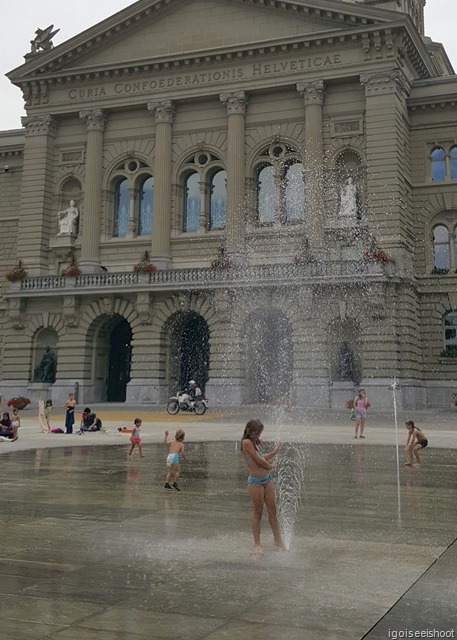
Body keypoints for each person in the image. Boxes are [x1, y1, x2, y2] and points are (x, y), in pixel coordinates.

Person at [241, 418, 286, 556]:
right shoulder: (246, 442)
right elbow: (258, 461)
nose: (259, 435)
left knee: (273, 511)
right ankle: (257, 544)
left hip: (267, 480)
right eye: (258, 433)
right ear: (252, 432)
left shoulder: (255, 442)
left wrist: (274, 452)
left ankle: (278, 541)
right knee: (258, 513)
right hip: (255, 482)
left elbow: (262, 457)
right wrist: (271, 466)